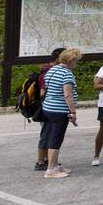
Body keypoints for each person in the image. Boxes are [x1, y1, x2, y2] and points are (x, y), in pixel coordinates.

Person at [41, 47, 81, 179]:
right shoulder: (67, 74)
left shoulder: (52, 69)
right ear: (71, 60)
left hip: (48, 107)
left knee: (53, 136)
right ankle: (50, 170)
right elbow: (67, 94)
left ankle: (55, 165)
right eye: (76, 61)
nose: (77, 64)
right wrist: (73, 112)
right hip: (59, 110)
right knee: (56, 138)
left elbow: (48, 87)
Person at [33, 47, 66, 172]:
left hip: (50, 106)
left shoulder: (50, 69)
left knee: (50, 134)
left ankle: (48, 160)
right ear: (59, 58)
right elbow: (42, 93)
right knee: (46, 134)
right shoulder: (48, 72)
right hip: (48, 107)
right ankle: (40, 162)